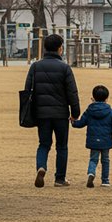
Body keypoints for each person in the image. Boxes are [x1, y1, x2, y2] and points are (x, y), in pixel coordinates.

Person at [25, 33, 81, 187]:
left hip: (41, 113)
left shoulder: (35, 67)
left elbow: (27, 90)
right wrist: (75, 113)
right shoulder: (65, 68)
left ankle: (41, 167)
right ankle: (60, 179)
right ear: (59, 48)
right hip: (61, 113)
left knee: (44, 144)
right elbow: (72, 93)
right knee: (62, 146)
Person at [72, 84, 112, 188]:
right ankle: (105, 180)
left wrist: (73, 122)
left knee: (93, 159)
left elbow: (81, 123)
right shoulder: (111, 112)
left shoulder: (89, 111)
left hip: (93, 140)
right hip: (106, 141)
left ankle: (91, 173)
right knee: (105, 160)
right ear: (107, 99)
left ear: (93, 98)